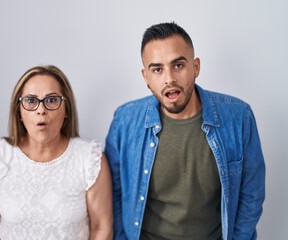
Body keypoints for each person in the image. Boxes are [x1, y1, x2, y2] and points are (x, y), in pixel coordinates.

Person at [105, 22, 265, 240]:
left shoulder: (239, 117)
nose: (169, 78)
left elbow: (251, 195)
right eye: (157, 69)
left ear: (196, 67)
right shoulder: (124, 121)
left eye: (178, 65)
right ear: (146, 77)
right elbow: (113, 194)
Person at [0, 65, 113, 240]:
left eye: (51, 100)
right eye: (31, 101)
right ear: (19, 111)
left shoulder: (90, 158)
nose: (41, 110)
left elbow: (101, 228)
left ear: (66, 110)